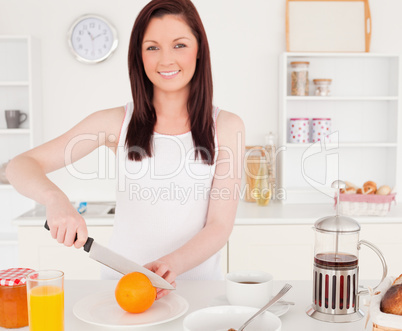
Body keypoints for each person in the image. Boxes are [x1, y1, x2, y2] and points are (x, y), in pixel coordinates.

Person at [6, 0, 244, 299]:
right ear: (139, 57)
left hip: (197, 290)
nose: (166, 60)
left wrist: (170, 265)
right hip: (122, 285)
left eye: (179, 45)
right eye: (152, 47)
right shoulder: (116, 122)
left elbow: (219, 225)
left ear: (199, 50)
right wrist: (55, 200)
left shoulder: (226, 125)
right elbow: (19, 164)